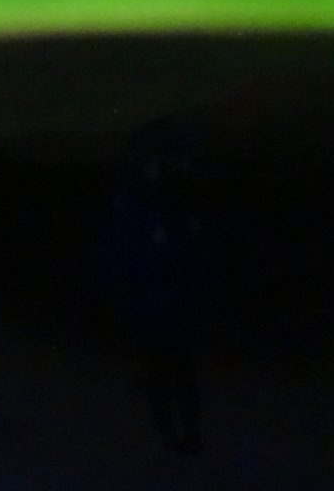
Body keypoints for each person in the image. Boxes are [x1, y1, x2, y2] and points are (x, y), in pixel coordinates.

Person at [100, 117, 207, 455]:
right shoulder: (139, 200)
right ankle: (178, 437)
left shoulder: (159, 197)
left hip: (165, 301)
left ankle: (185, 437)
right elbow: (125, 251)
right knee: (164, 372)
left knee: (172, 371)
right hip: (156, 301)